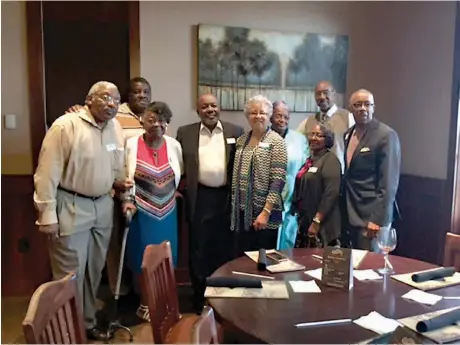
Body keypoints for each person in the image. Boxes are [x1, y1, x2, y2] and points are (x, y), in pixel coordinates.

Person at [33, 81, 125, 340]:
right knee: (69, 275)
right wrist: (47, 216)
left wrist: (123, 188)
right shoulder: (65, 126)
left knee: (93, 272)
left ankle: (85, 323)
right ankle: (63, 331)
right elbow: (46, 173)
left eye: (117, 100)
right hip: (71, 205)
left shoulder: (115, 127)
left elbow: (118, 165)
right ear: (89, 99)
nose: (111, 104)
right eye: (105, 98)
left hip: (103, 206)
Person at [67, 77, 151, 297]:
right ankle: (117, 291)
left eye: (145, 92)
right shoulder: (115, 116)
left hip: (144, 193)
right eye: (136, 92)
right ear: (128, 95)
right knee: (112, 244)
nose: (141, 96)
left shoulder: (154, 116)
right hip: (112, 190)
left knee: (137, 238)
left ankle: (136, 288)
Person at [176, 93, 244, 313]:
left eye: (213, 105)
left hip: (226, 199)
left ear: (220, 108)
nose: (210, 110)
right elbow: (177, 165)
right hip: (200, 199)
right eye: (204, 106)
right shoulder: (185, 133)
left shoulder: (235, 131)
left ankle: (222, 301)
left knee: (224, 250)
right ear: (198, 111)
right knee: (199, 251)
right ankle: (199, 299)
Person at [122, 101, 183, 322]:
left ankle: (164, 303)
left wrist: (171, 192)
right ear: (142, 121)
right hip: (141, 211)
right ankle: (145, 304)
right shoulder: (130, 144)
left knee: (167, 257)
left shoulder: (174, 145)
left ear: (167, 123)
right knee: (142, 257)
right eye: (151, 120)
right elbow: (124, 176)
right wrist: (126, 201)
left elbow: (178, 173)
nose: (156, 124)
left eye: (161, 120)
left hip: (168, 211)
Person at [342, 89, 401, 251]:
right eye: (358, 104)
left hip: (372, 218)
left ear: (373, 108)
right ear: (350, 108)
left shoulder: (386, 135)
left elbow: (389, 184)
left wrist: (378, 219)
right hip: (351, 213)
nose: (363, 108)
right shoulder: (348, 134)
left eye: (367, 104)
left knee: (370, 270)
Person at [231, 95, 288, 254]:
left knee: (263, 260)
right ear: (247, 116)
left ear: (269, 116)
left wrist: (265, 212)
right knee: (243, 258)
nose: (258, 116)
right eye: (253, 113)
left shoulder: (277, 141)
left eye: (262, 112)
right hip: (242, 213)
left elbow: (278, 181)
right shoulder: (241, 140)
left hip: (265, 215)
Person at [291, 123, 342, 248]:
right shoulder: (311, 160)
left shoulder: (330, 160)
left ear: (327, 139)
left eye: (319, 135)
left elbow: (331, 193)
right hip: (306, 221)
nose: (314, 138)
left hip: (324, 225)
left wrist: (317, 221)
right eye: (312, 134)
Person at [270, 100, 309, 250]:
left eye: (286, 117)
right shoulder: (263, 137)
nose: (282, 120)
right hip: (268, 199)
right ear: (271, 117)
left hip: (292, 196)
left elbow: (305, 166)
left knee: (288, 237)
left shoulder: (299, 139)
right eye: (278, 116)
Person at [297, 80, 354, 172]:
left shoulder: (347, 118)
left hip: (338, 174)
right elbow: (296, 141)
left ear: (334, 94)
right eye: (318, 94)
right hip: (314, 173)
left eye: (325, 93)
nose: (322, 97)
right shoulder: (309, 121)